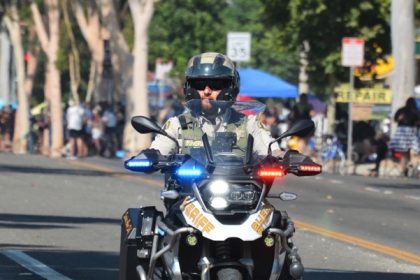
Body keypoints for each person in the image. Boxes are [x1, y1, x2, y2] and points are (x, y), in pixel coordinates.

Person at [149, 52, 283, 157]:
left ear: (231, 88)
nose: (207, 91)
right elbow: (158, 151)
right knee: (169, 193)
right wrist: (150, 156)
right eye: (200, 84)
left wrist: (283, 156)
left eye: (215, 84)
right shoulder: (177, 125)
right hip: (189, 190)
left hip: (239, 189)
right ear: (189, 88)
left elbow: (271, 150)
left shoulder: (248, 124)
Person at [389, 97, 420, 176]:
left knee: (403, 153)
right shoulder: (415, 111)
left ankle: (402, 170)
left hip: (401, 132)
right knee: (413, 151)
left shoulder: (401, 110)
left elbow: (395, 119)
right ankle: (412, 167)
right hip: (411, 131)